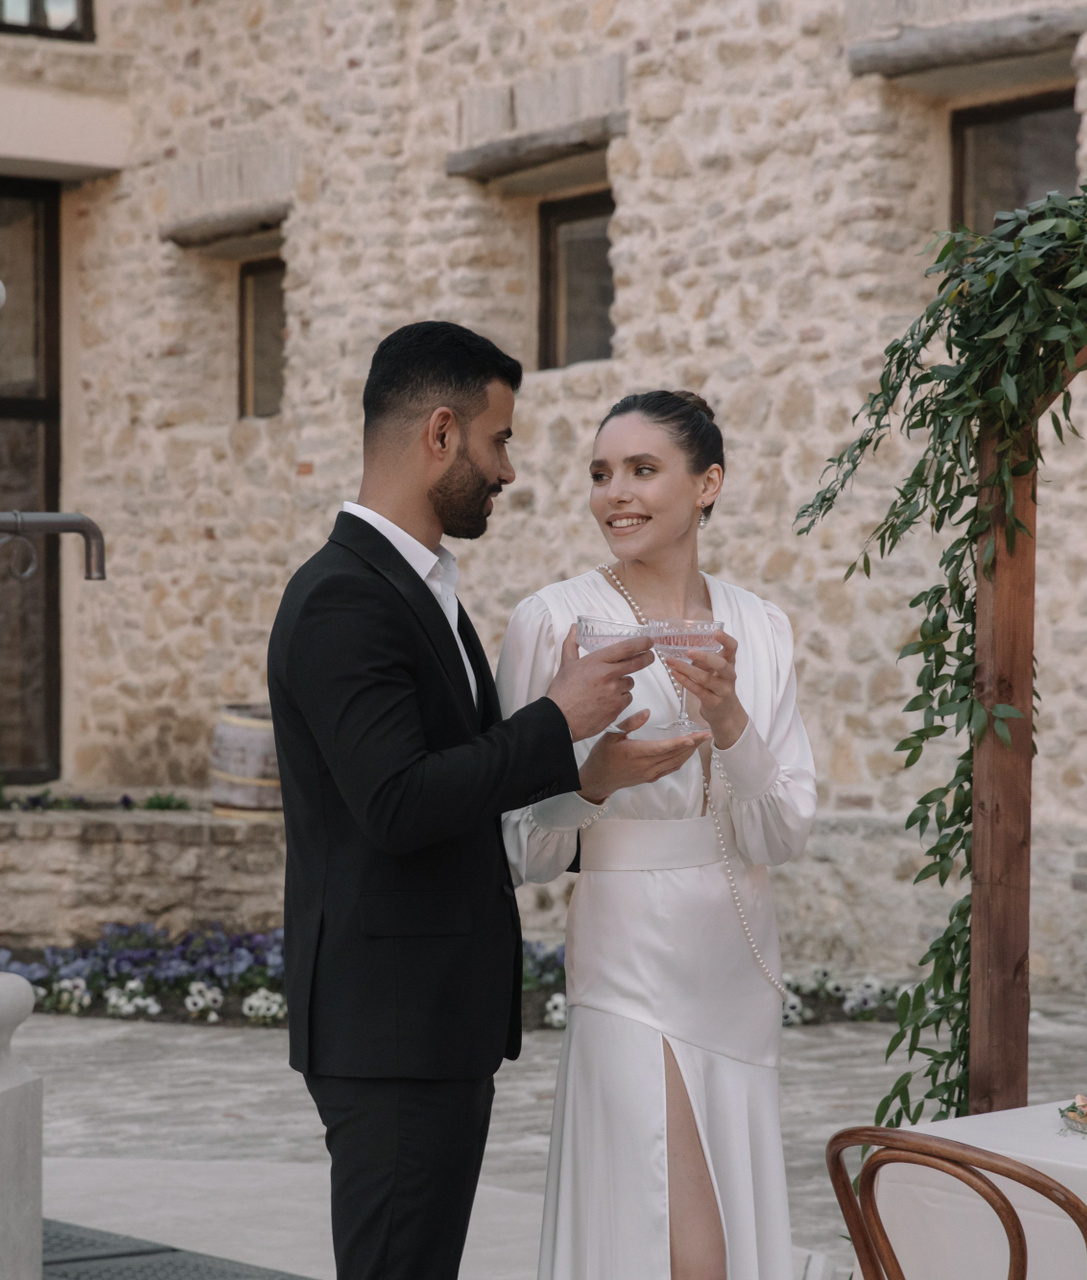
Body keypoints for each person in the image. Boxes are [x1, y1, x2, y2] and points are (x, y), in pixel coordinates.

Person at [266, 322, 663, 1280]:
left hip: (429, 1023)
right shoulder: (343, 597)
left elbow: (449, 778)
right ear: (440, 433)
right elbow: (397, 802)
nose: (508, 471)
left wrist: (582, 771)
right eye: (499, 440)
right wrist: (555, 722)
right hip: (391, 1029)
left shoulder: (417, 586)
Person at [496, 390, 818, 1280]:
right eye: (601, 473)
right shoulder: (551, 621)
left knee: (723, 1234)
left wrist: (730, 721)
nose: (616, 494)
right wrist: (592, 785)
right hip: (627, 956)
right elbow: (518, 845)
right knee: (678, 1241)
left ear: (708, 484)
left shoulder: (761, 627)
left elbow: (783, 829)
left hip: (738, 959)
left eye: (643, 470)